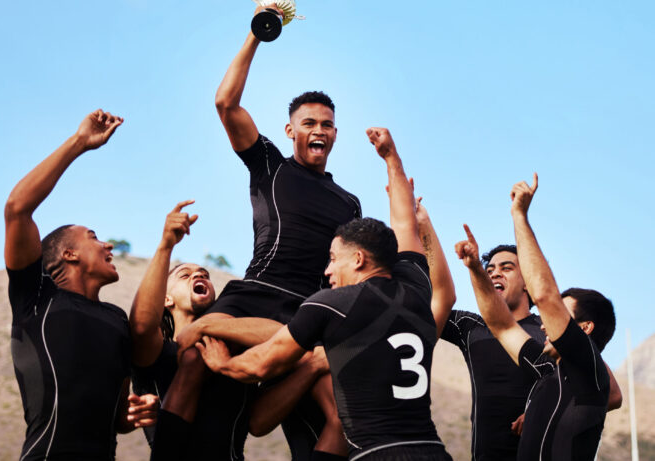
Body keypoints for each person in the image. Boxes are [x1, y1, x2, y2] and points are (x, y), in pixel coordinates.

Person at [197, 127, 456, 461]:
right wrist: (392, 159)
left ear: (359, 259)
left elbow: (261, 365)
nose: (327, 271)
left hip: (377, 454)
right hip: (434, 452)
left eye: (334, 259)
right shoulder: (416, 287)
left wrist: (225, 364)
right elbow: (406, 226)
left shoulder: (332, 304)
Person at [174, 6, 362, 459]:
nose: (319, 130)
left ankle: (299, 353)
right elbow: (226, 104)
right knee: (193, 352)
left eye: (327, 124)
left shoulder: (350, 203)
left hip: (308, 311)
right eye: (309, 123)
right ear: (290, 130)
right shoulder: (270, 167)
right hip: (255, 294)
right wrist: (257, 34)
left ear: (336, 134)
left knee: (341, 419)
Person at [130, 202, 341, 461]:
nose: (198, 276)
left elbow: (258, 423)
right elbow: (141, 326)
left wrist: (314, 365)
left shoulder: (236, 355)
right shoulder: (159, 352)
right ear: (166, 299)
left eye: (204, 274)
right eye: (185, 275)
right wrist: (166, 245)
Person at [4, 110, 157, 461]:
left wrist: (135, 411)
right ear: (69, 254)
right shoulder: (36, 296)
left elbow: (119, 416)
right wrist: (79, 143)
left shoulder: (118, 319)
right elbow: (17, 209)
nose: (108, 246)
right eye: (94, 237)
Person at [455, 174, 617, 461]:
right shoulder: (548, 370)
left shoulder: (586, 368)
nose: (544, 322)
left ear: (584, 329)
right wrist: (475, 270)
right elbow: (502, 326)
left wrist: (519, 215)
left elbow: (543, 295)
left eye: (558, 315)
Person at [440, 243, 544, 461]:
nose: (496, 273)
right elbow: (435, 298)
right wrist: (422, 226)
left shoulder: (550, 329)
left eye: (506, 268)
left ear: (528, 281)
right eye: (490, 270)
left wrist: (542, 411)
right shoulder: (471, 327)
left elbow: (602, 390)